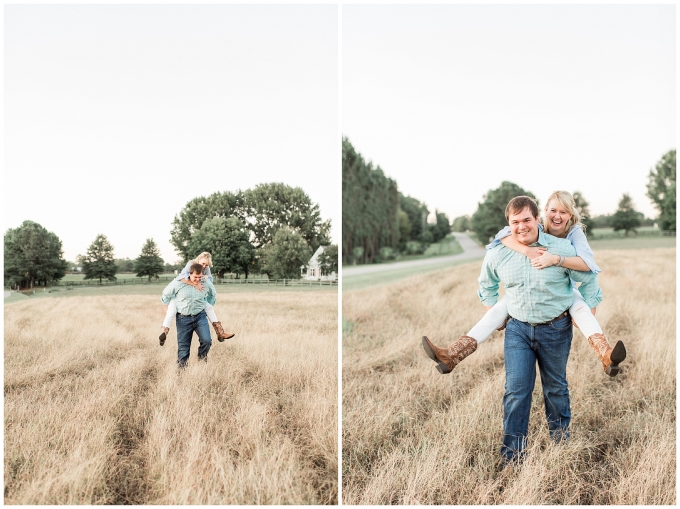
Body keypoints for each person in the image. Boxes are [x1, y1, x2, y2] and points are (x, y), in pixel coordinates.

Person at [423, 196, 603, 466]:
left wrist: (589, 310)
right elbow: (486, 285)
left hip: (555, 328)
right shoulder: (499, 251)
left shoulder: (561, 247)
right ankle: (512, 456)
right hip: (518, 330)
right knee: (516, 391)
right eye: (515, 222)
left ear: (536, 220)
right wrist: (493, 314)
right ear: (509, 225)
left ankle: (560, 444)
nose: (521, 226)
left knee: (555, 389)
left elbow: (589, 277)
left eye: (526, 220)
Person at [423, 190, 625, 377]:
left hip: (564, 288)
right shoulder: (531, 224)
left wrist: (556, 260)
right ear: (544, 213)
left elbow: (589, 268)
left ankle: (606, 355)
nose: (557, 216)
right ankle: (451, 355)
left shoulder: (574, 234)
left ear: (571, 215)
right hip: (524, 296)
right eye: (553, 210)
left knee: (582, 309)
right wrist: (527, 250)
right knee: (494, 312)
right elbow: (503, 235)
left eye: (564, 212)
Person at [158, 251, 234, 345]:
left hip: (198, 299)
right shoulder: (190, 264)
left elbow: (210, 280)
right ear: (198, 260)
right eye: (203, 263)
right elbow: (182, 277)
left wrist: (205, 278)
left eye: (207, 264)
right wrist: (196, 285)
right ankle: (164, 332)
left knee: (209, 307)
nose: (205, 266)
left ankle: (220, 333)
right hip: (180, 296)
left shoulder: (206, 268)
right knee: (171, 312)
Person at [161, 263, 217, 368]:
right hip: (183, 318)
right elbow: (166, 293)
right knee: (183, 348)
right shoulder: (179, 283)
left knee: (207, 341)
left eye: (200, 277)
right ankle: (181, 372)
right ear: (189, 274)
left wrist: (208, 305)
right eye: (195, 277)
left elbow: (212, 294)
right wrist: (166, 308)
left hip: (200, 316)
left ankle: (202, 361)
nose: (198, 280)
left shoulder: (205, 282)